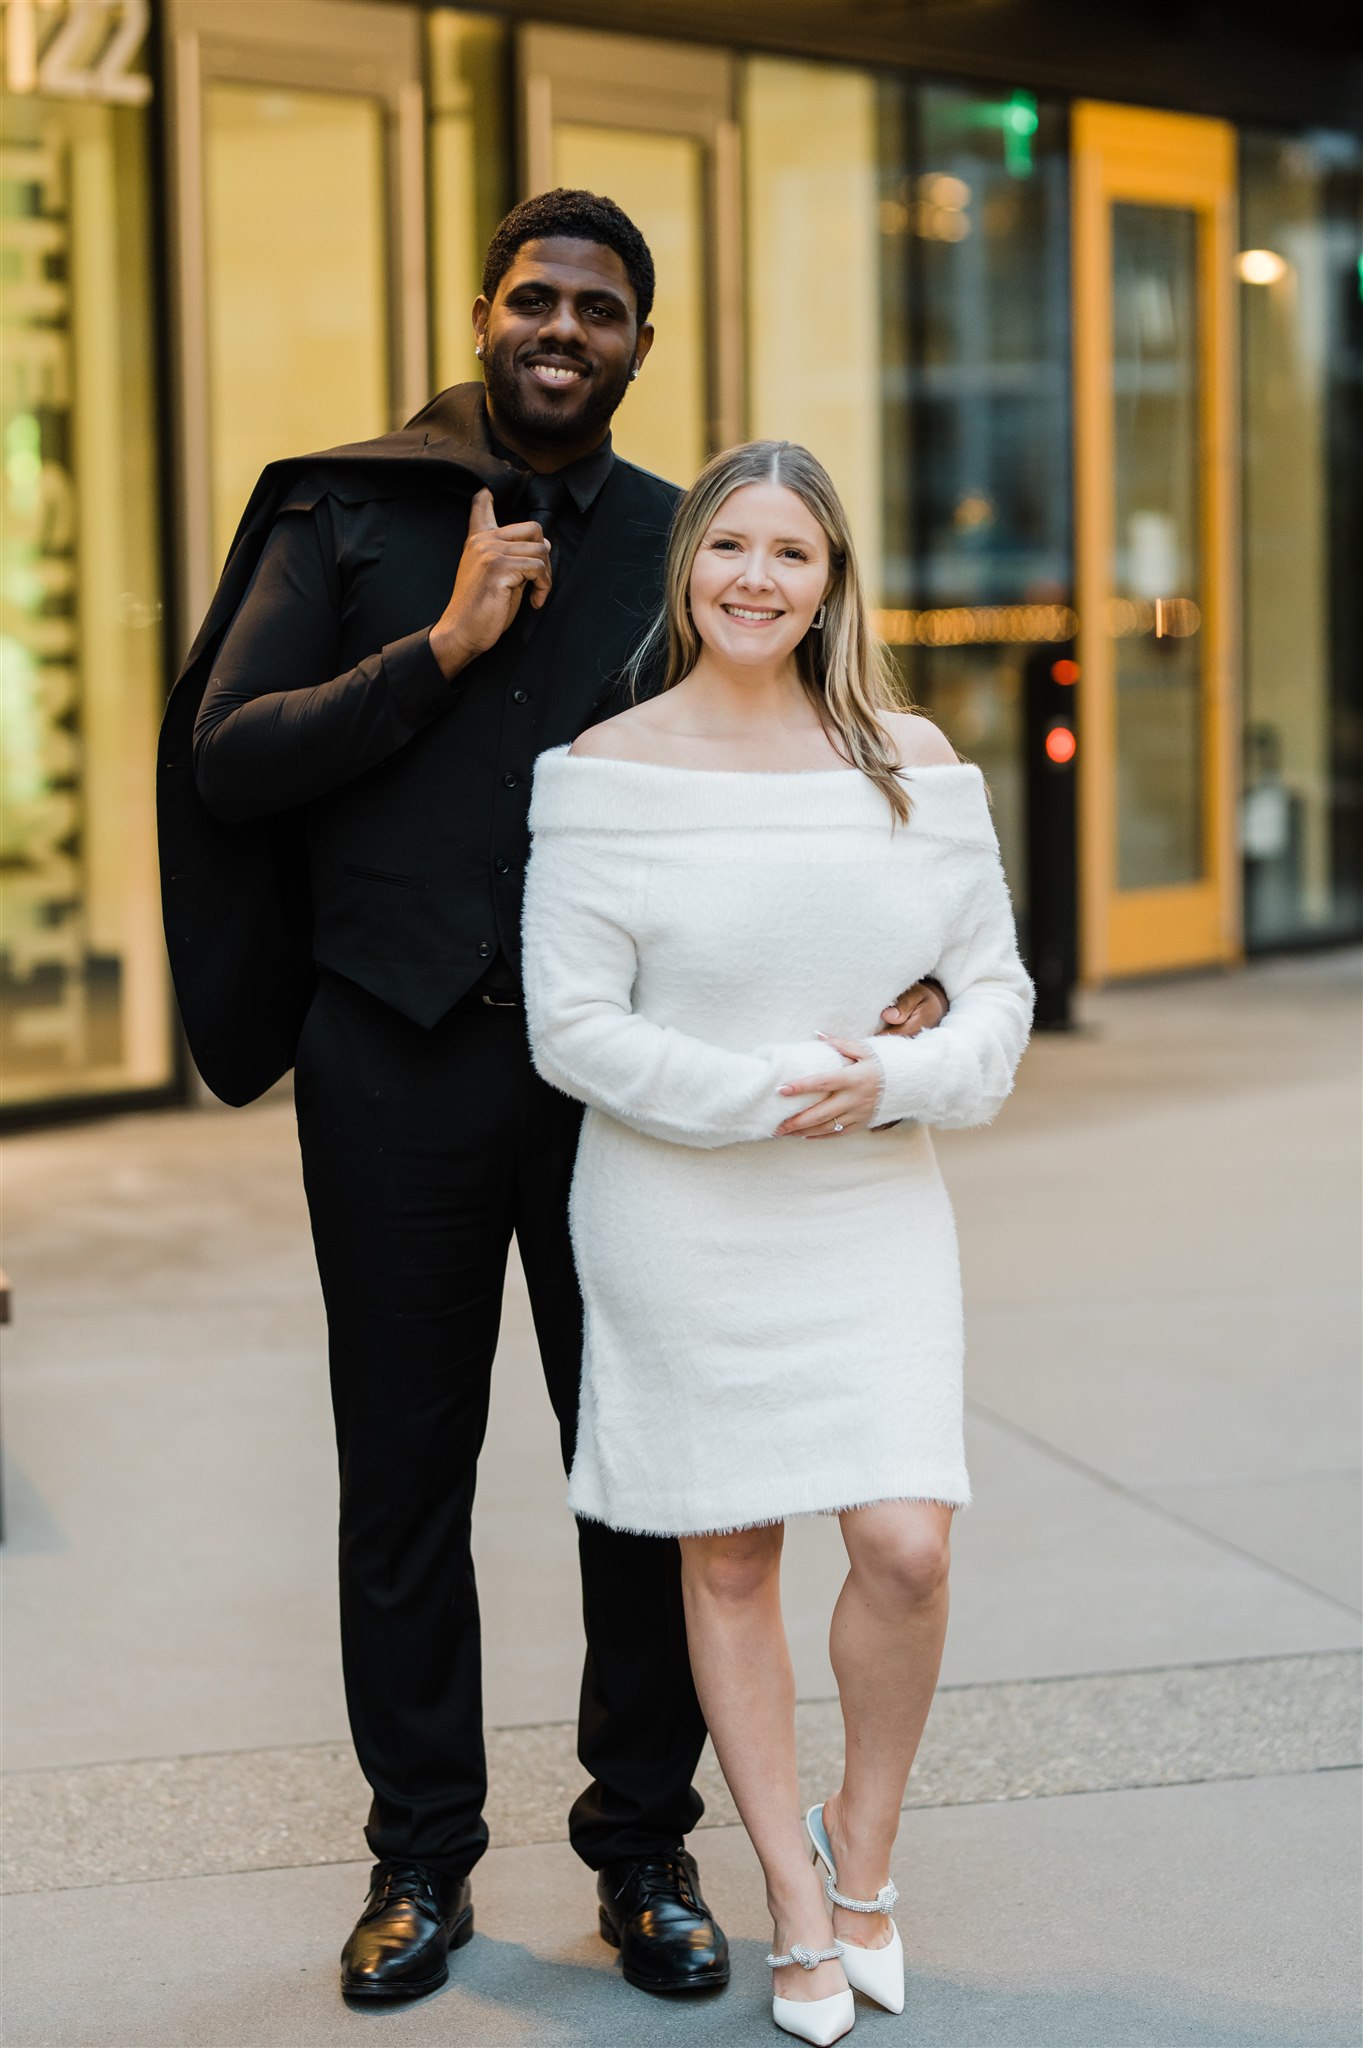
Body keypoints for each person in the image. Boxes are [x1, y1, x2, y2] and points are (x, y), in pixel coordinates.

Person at [157, 191, 948, 2006]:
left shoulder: (688, 546)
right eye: (537, 297)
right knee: (406, 1481)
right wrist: (435, 648)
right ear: (487, 313)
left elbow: (802, 774)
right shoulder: (343, 506)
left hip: (627, 1092)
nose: (564, 326)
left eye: (601, 305)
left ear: (640, 344)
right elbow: (230, 758)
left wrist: (906, 969)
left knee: (653, 1485)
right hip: (394, 1063)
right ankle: (418, 1861)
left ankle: (644, 1849)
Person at [522, 441, 1033, 2044]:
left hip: (867, 1199)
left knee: (906, 1542)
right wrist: (763, 1096)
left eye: (792, 554)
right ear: (690, 572)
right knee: (730, 1552)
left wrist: (892, 1077)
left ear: (832, 582)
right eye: (729, 546)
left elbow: (998, 1004)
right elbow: (573, 1030)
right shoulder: (607, 767)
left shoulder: (910, 760)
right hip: (680, 1207)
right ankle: (793, 1905)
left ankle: (860, 1853)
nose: (757, 577)